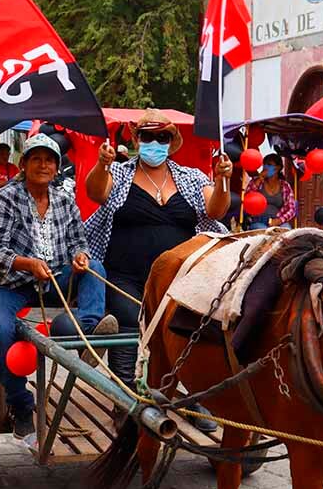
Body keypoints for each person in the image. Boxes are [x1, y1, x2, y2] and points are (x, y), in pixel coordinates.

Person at [84, 109, 232, 431]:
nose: (154, 143)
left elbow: (216, 208)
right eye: (147, 136)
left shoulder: (191, 177)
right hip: (125, 275)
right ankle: (126, 398)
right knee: (127, 321)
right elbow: (96, 191)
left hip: (181, 277)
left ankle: (191, 398)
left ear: (171, 141)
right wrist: (102, 164)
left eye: (161, 137)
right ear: (137, 140)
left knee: (186, 327)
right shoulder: (120, 174)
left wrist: (222, 179)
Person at [0, 133, 118, 439]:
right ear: (23, 164)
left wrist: (80, 256)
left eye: (49, 160)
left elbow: (80, 241)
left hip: (54, 277)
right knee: (0, 328)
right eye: (36, 159)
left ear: (56, 167)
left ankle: (86, 334)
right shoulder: (5, 197)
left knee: (96, 268)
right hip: (9, 283)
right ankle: (21, 407)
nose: (43, 165)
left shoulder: (64, 200)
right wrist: (28, 263)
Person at [244, 153, 296, 230]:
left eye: (269, 164)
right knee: (262, 234)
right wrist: (259, 179)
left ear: (278, 168)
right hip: (259, 220)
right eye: (264, 164)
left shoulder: (284, 185)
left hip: (278, 220)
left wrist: (279, 220)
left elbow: (291, 209)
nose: (266, 167)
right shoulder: (256, 181)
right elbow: (247, 198)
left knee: (286, 233)